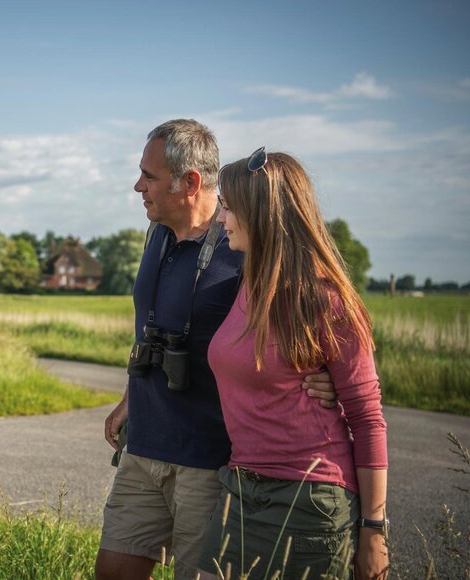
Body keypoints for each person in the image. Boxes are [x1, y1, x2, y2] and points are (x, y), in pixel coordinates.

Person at [95, 120, 338, 580]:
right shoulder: (156, 234)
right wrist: (130, 397)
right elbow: (151, 329)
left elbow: (319, 319)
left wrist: (329, 378)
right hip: (143, 444)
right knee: (112, 570)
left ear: (189, 183)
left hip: (209, 459)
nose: (137, 186)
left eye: (148, 176)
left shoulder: (244, 244)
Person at [196, 148, 388, 579]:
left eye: (228, 207)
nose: (221, 218)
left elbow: (367, 418)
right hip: (239, 488)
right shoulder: (249, 283)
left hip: (309, 500)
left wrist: (374, 531)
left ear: (262, 214)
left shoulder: (327, 301)